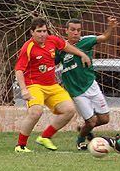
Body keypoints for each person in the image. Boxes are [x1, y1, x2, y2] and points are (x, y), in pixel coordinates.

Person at [14, 17, 91, 152]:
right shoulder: (28, 47)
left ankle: (45, 137)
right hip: (34, 86)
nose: (43, 34)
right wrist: (24, 89)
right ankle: (20, 146)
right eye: (39, 31)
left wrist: (82, 54)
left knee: (69, 110)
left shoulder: (52, 40)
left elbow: (67, 47)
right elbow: (19, 69)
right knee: (35, 112)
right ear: (32, 32)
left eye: (44, 31)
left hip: (52, 85)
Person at [57, 17, 118, 150]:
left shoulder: (86, 41)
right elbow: (52, 62)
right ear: (66, 31)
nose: (76, 33)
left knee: (104, 119)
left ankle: (84, 129)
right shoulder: (61, 48)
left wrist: (111, 28)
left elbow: (104, 37)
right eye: (72, 30)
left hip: (91, 85)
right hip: (76, 91)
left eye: (78, 30)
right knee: (91, 121)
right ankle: (80, 140)